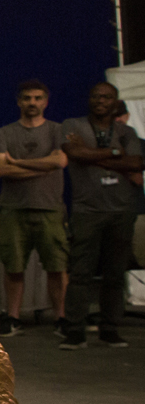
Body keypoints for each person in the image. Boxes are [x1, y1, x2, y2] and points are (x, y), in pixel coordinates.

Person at [58, 82, 144, 349]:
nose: (100, 100)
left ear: (115, 102)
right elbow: (74, 152)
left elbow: (137, 163)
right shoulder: (72, 125)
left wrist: (94, 156)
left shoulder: (126, 131)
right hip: (87, 210)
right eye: (95, 96)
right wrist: (117, 154)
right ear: (89, 99)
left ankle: (110, 328)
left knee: (115, 273)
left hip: (121, 209)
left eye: (106, 97)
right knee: (80, 271)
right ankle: (74, 330)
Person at [0, 79, 68, 335]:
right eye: (27, 98)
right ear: (19, 101)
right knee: (13, 267)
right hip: (14, 209)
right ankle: (13, 317)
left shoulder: (57, 130)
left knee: (57, 266)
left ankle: (62, 318)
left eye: (37, 98)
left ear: (45, 101)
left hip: (50, 209)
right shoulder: (4, 134)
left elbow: (61, 161)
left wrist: (18, 163)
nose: (32, 103)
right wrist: (45, 165)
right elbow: (2, 169)